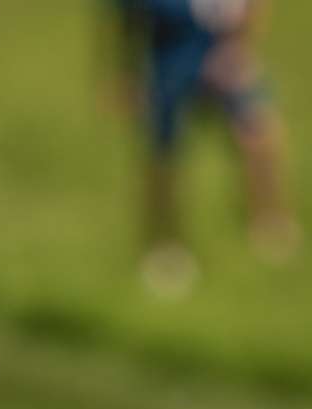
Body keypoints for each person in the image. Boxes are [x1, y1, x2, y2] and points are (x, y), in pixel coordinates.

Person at [109, 0, 299, 296]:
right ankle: (164, 243)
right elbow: (127, 19)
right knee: (164, 154)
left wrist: (240, 47)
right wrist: (126, 72)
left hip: (222, 49)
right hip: (169, 55)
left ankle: (269, 223)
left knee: (258, 131)